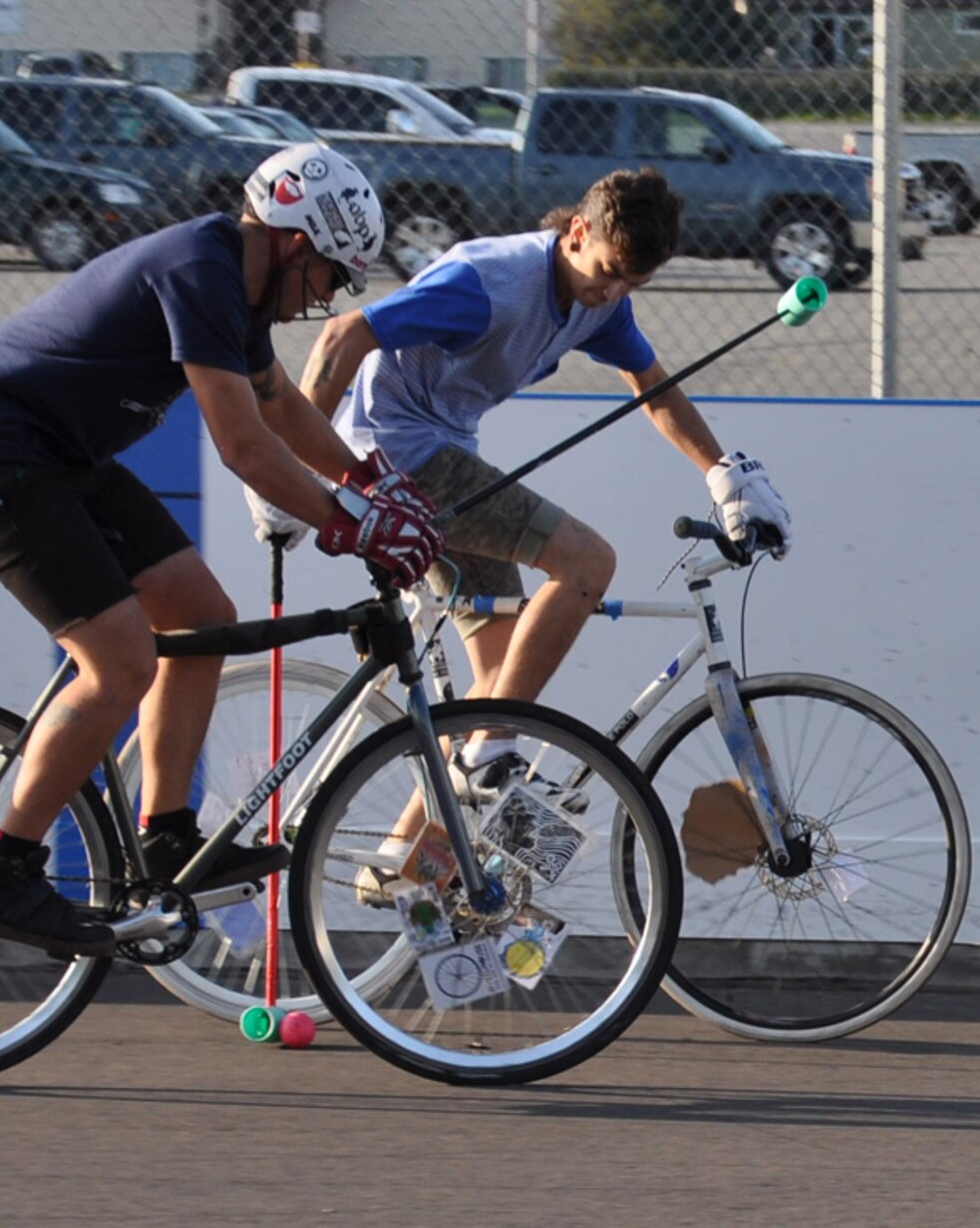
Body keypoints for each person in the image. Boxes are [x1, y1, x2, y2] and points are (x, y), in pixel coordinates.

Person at [0, 143, 443, 957]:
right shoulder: (202, 271)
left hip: (62, 461)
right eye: (333, 277)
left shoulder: (238, 281)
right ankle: (2, 871)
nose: (325, 299)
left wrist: (368, 479)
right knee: (120, 664)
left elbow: (278, 405)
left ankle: (166, 836)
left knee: (202, 615)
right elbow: (242, 445)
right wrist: (352, 520)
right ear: (296, 245)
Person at [251, 166, 790, 818]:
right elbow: (344, 333)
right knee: (587, 563)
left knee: (502, 683)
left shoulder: (601, 304)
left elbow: (652, 387)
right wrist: (292, 468)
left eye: (632, 283)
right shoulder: (490, 284)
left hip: (444, 454)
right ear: (578, 231)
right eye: (609, 269)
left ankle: (411, 864)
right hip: (397, 454)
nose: (613, 291)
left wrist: (722, 471)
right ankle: (486, 759)